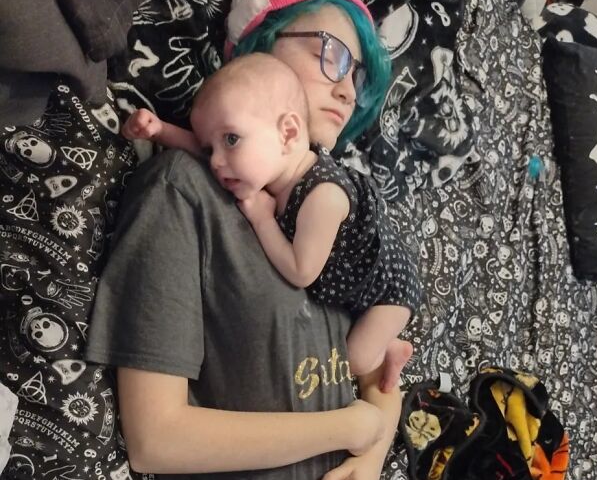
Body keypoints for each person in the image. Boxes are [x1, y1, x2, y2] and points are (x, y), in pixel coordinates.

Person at [86, 0, 410, 480]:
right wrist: (344, 429)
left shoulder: (336, 211)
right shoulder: (184, 192)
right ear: (257, 47)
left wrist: (373, 454)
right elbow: (155, 436)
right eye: (331, 53)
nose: (347, 87)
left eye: (358, 73)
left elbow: (381, 374)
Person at [122, 52, 419, 388]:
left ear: (288, 133)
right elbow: (205, 153)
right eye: (210, 149)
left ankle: (391, 349)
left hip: (389, 289)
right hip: (352, 275)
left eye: (231, 139)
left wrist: (263, 220)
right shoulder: (265, 163)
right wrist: (160, 130)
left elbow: (302, 271)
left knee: (357, 359)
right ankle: (386, 342)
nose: (216, 162)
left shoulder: (323, 197)